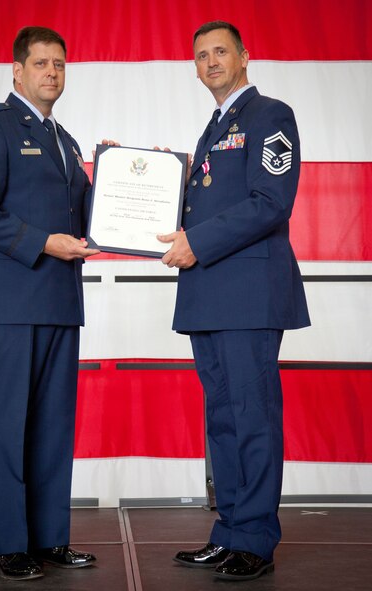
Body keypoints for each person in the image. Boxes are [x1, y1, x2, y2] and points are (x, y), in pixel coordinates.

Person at [157, 21, 310, 581]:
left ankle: (257, 538)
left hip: (247, 294)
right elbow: (205, 204)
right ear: (195, 67)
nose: (211, 61)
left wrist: (196, 242)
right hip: (209, 294)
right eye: (201, 55)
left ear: (245, 55)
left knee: (252, 417)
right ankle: (228, 532)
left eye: (221, 51)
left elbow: (271, 201)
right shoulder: (211, 129)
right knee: (221, 419)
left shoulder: (270, 115)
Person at [0, 26, 101, 581]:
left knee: (53, 427)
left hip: (60, 301)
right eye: (41, 64)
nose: (51, 73)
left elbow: (88, 218)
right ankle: (9, 544)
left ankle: (48, 538)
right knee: (8, 424)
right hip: (9, 302)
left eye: (59, 64)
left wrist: (139, 179)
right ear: (17, 70)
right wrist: (42, 243)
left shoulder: (67, 140)